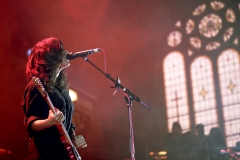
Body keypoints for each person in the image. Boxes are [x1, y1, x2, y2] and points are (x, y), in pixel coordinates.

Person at [22, 37, 87, 160]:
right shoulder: (35, 86)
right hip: (44, 153)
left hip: (62, 154)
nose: (67, 52)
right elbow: (30, 123)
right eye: (62, 49)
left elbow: (66, 121)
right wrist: (49, 122)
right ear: (51, 56)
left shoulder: (61, 88)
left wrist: (73, 137)